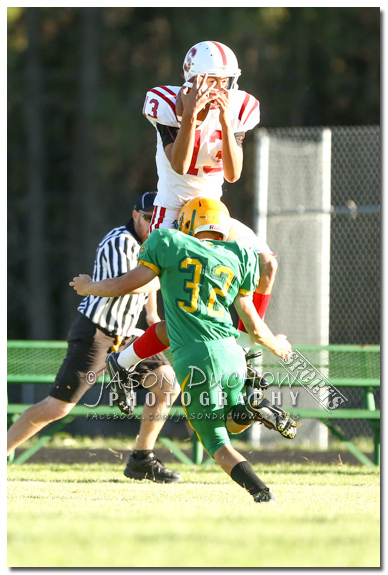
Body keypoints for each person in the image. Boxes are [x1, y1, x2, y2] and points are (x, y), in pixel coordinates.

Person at [71, 198, 297, 503]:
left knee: (216, 442)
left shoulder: (169, 242)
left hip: (195, 357)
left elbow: (126, 284)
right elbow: (253, 324)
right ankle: (249, 408)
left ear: (190, 223)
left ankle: (262, 492)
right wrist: (277, 344)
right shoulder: (239, 255)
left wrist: (89, 286)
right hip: (231, 353)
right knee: (231, 421)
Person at [7, 192, 181, 484]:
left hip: (127, 335)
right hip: (97, 332)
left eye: (159, 221)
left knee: (167, 385)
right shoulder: (119, 241)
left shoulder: (153, 242)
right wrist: (169, 273)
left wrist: (152, 316)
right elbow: (126, 284)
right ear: (135, 214)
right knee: (58, 407)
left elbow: (148, 282)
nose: (154, 226)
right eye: (149, 219)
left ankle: (142, 458)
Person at [143, 40, 277, 343]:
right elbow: (179, 164)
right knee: (179, 313)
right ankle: (124, 360)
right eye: (210, 79)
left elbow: (233, 173)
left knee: (267, 264)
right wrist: (190, 115)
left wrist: (227, 124)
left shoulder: (239, 107)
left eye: (223, 80)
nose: (218, 87)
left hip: (213, 213)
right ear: (191, 79)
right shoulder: (167, 104)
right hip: (173, 210)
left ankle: (246, 350)